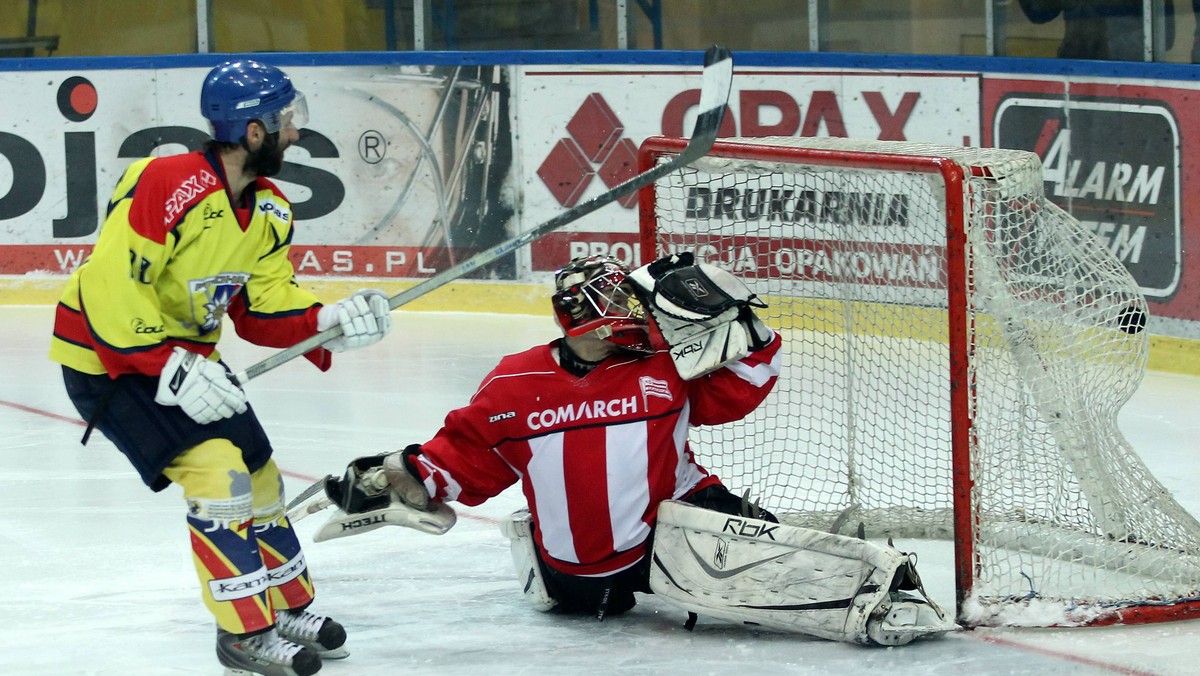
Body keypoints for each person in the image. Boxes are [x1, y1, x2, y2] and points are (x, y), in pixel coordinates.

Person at [302, 254, 956, 645]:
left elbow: (748, 383)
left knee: (769, 555)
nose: (634, 309)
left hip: (677, 523)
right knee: (592, 598)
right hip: (579, 574)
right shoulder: (514, 383)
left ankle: (880, 596)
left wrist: (739, 320)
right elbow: (461, 461)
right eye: (616, 300)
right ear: (581, 315)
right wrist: (396, 478)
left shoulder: (666, 361)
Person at [49, 60, 393, 676]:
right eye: (287, 121)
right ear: (254, 130)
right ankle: (242, 633)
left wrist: (325, 322)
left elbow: (262, 310)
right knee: (220, 478)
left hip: (190, 365)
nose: (296, 133)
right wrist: (165, 366)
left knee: (262, 478)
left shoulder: (269, 209)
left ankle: (285, 606)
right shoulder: (165, 183)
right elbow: (108, 288)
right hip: (110, 364)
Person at [1016, 0, 1175, 60]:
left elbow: (1163, 35)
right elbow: (1038, 12)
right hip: (1073, 72)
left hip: (1126, 78)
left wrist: (1109, 49)